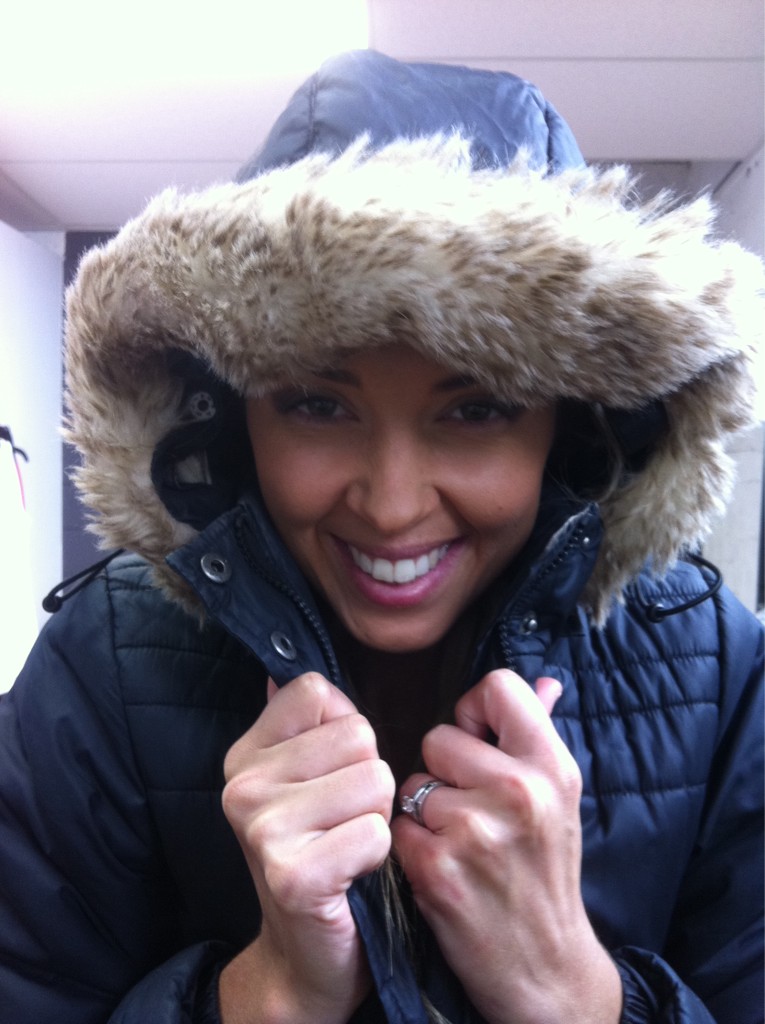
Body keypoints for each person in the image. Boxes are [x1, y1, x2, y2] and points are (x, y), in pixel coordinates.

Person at [0, 49, 762, 1024]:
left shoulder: (715, 668)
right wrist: (268, 994)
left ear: (571, 428)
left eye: (476, 409)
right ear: (231, 419)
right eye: (318, 404)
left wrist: (570, 989)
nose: (394, 505)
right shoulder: (101, 670)